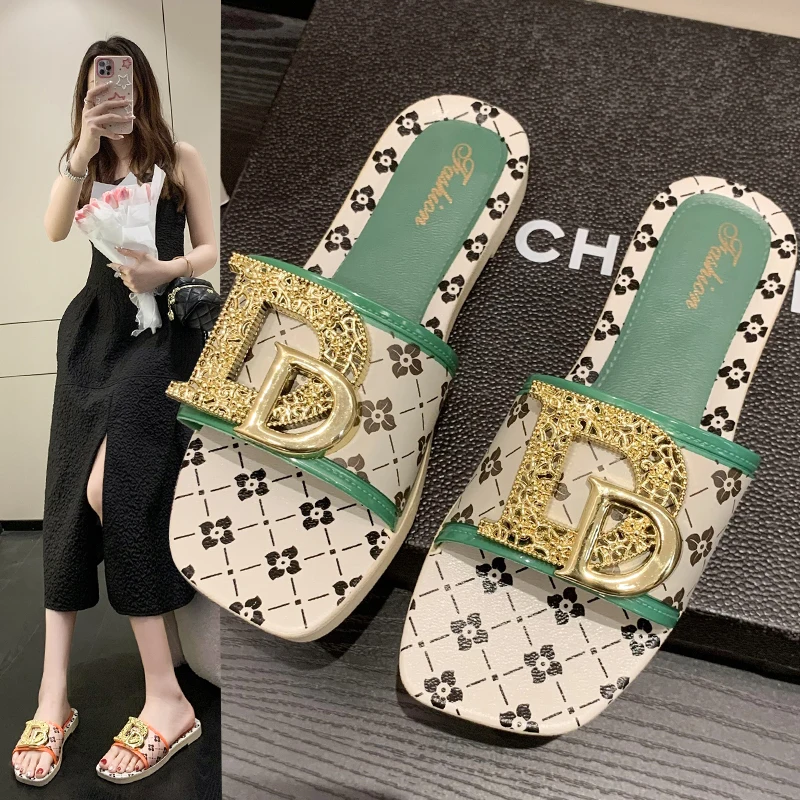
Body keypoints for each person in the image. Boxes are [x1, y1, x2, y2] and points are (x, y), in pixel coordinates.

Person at [11, 36, 216, 784]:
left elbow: (210, 249)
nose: (112, 93)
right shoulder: (85, 165)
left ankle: (168, 699)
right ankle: (52, 695)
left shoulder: (179, 158)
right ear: (87, 93)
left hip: (158, 335)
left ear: (141, 85)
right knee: (68, 497)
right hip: (92, 336)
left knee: (112, 489)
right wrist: (81, 146)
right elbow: (52, 228)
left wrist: (167, 269)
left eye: (121, 80)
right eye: (98, 84)